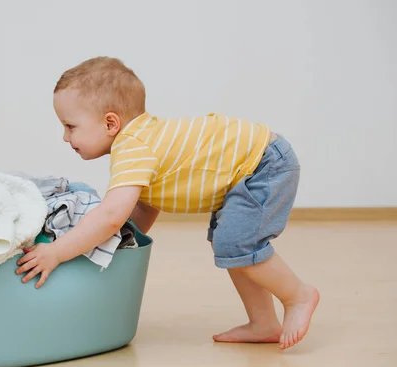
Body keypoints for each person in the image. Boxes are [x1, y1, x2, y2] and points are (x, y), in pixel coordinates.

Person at [16, 56, 319, 350]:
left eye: (70, 126)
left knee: (237, 244)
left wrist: (57, 251)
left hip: (263, 163)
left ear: (110, 123)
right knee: (230, 245)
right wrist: (123, 243)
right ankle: (264, 323)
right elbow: (148, 203)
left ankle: (298, 296)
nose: (65, 138)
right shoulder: (144, 139)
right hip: (248, 165)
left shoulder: (133, 146)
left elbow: (110, 215)